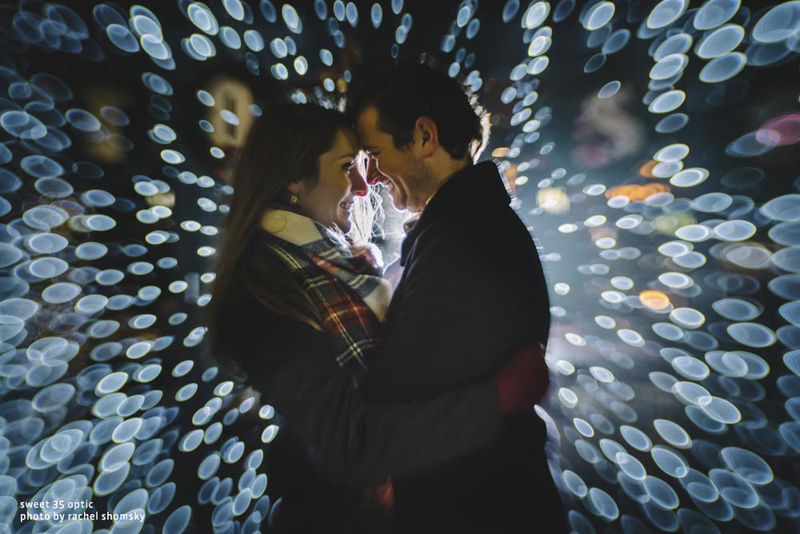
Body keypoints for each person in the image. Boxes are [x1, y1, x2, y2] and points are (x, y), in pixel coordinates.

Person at [206, 103, 550, 532]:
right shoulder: (266, 290)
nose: (363, 185)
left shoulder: (333, 266)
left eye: (363, 164)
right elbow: (351, 444)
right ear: (293, 177)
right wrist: (497, 399)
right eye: (346, 166)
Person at [353, 62, 567, 533]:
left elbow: (394, 393)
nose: (370, 178)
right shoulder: (460, 226)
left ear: (424, 136)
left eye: (375, 154)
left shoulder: (464, 237)